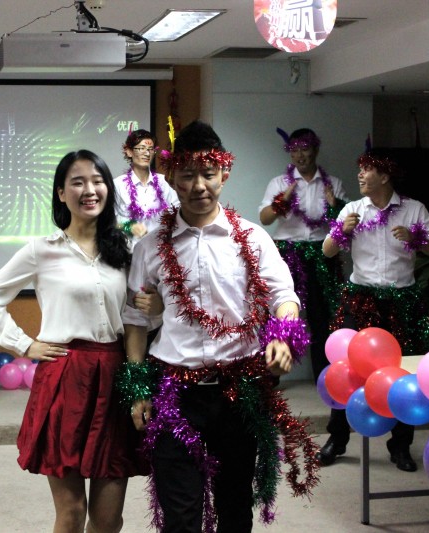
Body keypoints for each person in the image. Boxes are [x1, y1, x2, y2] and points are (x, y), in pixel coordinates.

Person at [120, 120, 319, 533]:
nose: (198, 186)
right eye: (187, 175)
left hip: (238, 391)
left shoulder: (252, 238)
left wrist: (283, 337)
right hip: (175, 391)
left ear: (224, 174)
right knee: (181, 516)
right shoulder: (150, 246)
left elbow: (284, 297)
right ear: (171, 176)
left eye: (208, 174)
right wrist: (138, 388)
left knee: (234, 509)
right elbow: (136, 320)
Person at [0, 150, 148, 533]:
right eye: (78, 182)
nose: (90, 190)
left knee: (108, 519)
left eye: (98, 181)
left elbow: (140, 318)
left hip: (115, 376)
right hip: (66, 378)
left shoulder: (125, 250)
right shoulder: (43, 249)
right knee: (71, 514)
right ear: (60, 193)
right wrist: (25, 344)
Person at [320, 148, 429, 471]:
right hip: (360, 298)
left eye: (367, 170)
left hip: (401, 300)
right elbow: (327, 251)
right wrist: (342, 231)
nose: (360, 175)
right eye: (360, 169)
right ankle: (337, 438)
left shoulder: (413, 209)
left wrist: (417, 240)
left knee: (403, 372)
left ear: (385, 176)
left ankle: (400, 446)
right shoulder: (352, 209)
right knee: (346, 368)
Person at [258, 128, 348, 382]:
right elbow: (265, 218)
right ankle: (271, 377)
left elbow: (343, 225)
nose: (299, 155)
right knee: (279, 311)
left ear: (315, 150)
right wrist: (282, 200)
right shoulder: (279, 183)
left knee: (322, 316)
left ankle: (324, 377)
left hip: (321, 254)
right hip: (288, 253)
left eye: (304, 149)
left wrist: (334, 205)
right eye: (294, 150)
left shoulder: (333, 184)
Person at [113, 129, 179, 244]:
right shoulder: (118, 185)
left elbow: (178, 211)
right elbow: (110, 221)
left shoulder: (164, 182)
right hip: (130, 250)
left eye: (150, 149)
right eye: (141, 148)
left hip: (160, 249)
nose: (147, 153)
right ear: (129, 152)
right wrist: (129, 226)